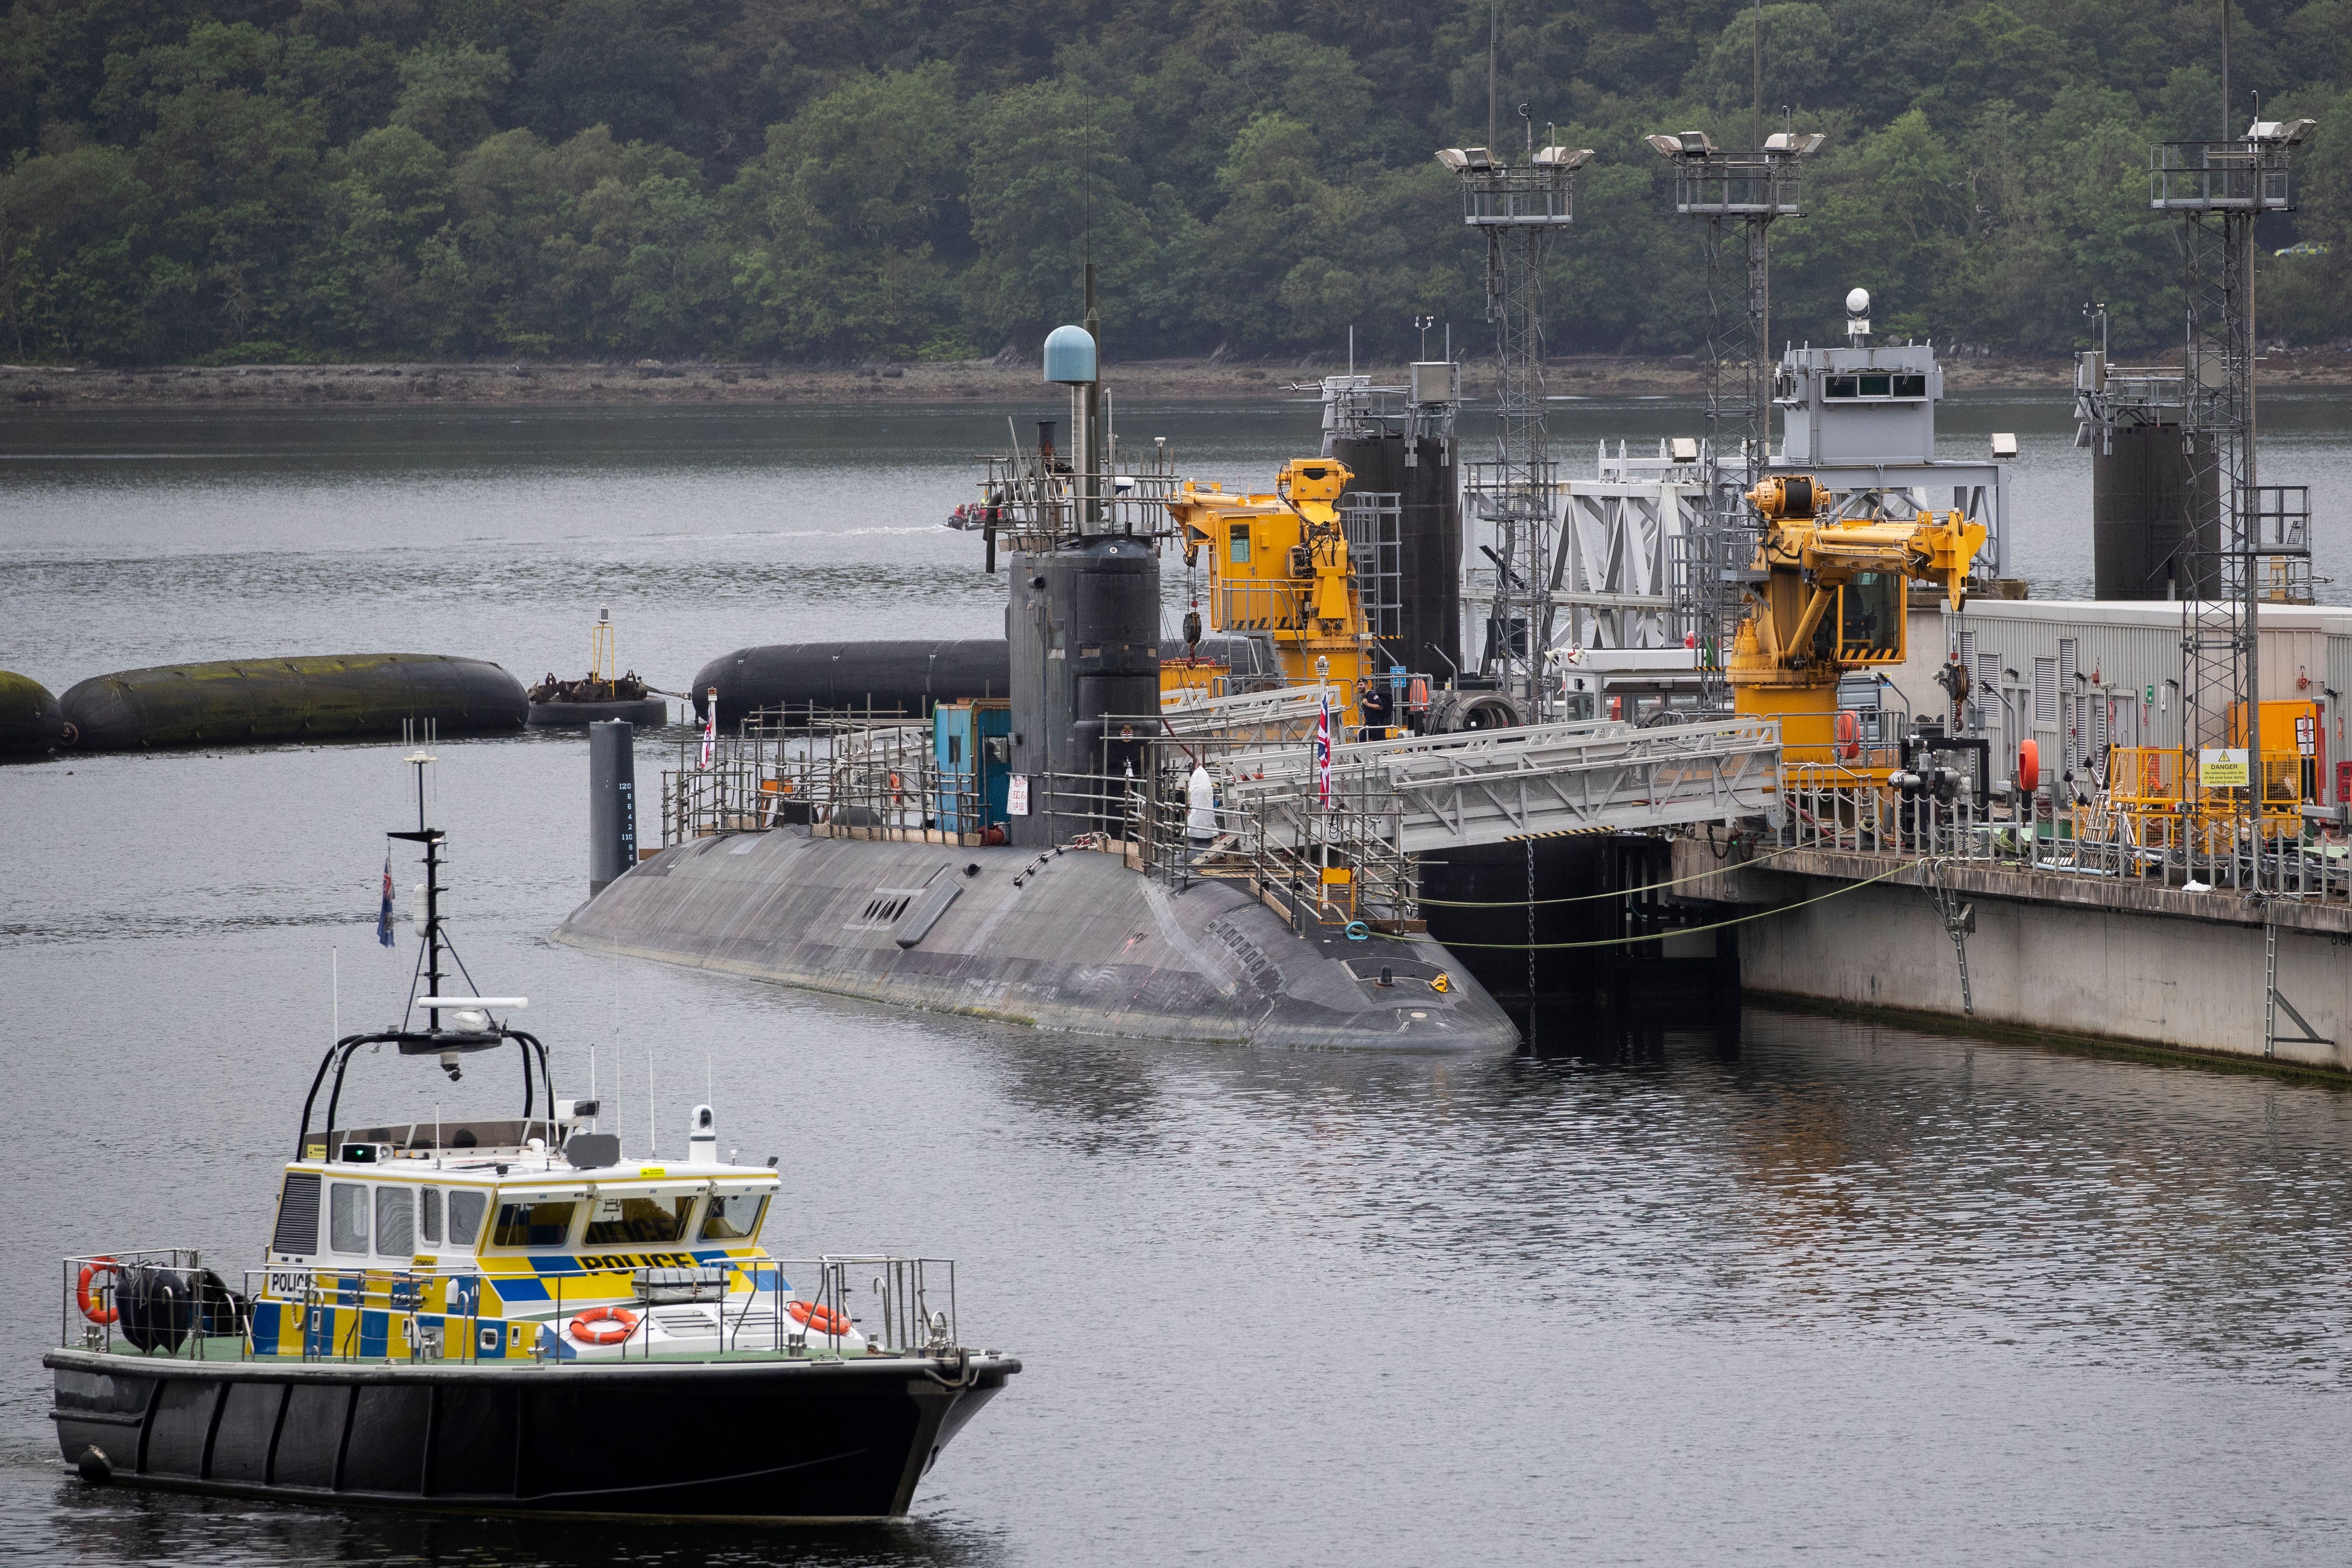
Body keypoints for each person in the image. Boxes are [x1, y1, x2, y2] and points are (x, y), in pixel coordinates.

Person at [1356, 679, 1392, 743]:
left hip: (1377, 725)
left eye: (1361, 685)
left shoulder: (1372, 695)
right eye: (1358, 685)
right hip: (1368, 724)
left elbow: (1381, 706)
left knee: (1380, 745)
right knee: (1359, 740)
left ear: (1366, 685)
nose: (1359, 687)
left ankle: (1386, 752)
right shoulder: (1363, 697)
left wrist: (1368, 704)